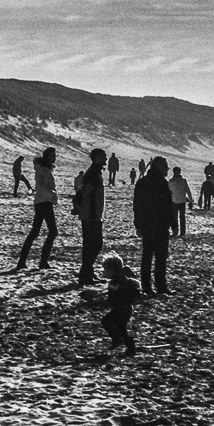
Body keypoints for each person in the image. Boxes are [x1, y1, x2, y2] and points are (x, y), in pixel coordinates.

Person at [133, 157, 175, 296]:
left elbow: (137, 206)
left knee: (147, 256)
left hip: (147, 225)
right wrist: (174, 223)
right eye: (165, 166)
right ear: (158, 167)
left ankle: (147, 287)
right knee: (160, 257)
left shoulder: (142, 182)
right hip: (160, 225)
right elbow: (168, 205)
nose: (167, 169)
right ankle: (160, 286)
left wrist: (138, 224)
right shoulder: (161, 183)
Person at [16, 146, 61, 271]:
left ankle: (22, 262)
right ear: (47, 157)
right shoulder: (44, 170)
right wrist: (52, 193)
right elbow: (41, 185)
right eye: (53, 155)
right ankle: (43, 262)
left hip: (40, 201)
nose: (55, 158)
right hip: (44, 202)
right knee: (53, 232)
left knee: (35, 232)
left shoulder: (43, 169)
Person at [74, 148, 107, 285]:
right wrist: (81, 208)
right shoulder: (92, 173)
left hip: (92, 214)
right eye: (103, 156)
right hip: (91, 214)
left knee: (90, 245)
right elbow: (84, 192)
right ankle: (85, 273)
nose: (105, 159)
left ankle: (88, 272)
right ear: (96, 158)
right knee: (95, 244)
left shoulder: (95, 172)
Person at [100, 255, 142, 357]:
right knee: (118, 326)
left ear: (113, 270)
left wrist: (102, 302)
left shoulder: (116, 282)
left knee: (120, 327)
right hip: (123, 308)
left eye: (106, 270)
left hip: (121, 309)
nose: (104, 272)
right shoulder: (122, 279)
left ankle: (127, 345)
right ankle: (120, 341)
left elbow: (113, 297)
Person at [167, 165, 192, 238]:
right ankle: (175, 231)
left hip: (182, 201)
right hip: (174, 201)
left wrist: (190, 200)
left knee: (182, 217)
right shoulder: (171, 181)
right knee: (174, 218)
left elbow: (188, 190)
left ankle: (182, 232)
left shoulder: (183, 181)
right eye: (175, 172)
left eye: (177, 172)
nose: (176, 173)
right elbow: (168, 192)